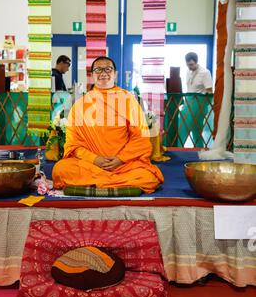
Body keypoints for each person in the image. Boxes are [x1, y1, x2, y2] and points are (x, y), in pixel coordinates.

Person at [52, 56, 164, 193]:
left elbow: (141, 138)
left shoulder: (128, 100)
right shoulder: (81, 104)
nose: (103, 73)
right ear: (92, 75)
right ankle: (116, 183)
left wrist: (120, 159)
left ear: (115, 74)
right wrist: (95, 159)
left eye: (108, 69)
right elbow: (73, 144)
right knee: (60, 169)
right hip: (91, 164)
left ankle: (97, 182)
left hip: (124, 165)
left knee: (148, 175)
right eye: (98, 69)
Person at [179, 52, 213, 148]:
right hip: (188, 103)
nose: (189, 67)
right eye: (187, 64)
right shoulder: (188, 71)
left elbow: (209, 91)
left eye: (191, 65)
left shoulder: (205, 73)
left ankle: (198, 150)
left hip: (199, 105)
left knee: (196, 130)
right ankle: (178, 149)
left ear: (196, 62)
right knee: (184, 128)